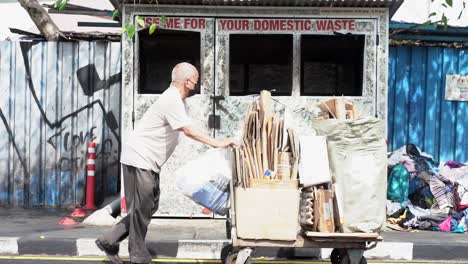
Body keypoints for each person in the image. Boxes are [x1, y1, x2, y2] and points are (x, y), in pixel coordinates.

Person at [95, 62, 237, 264]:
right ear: (188, 81)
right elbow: (188, 130)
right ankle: (138, 255)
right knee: (142, 207)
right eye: (196, 79)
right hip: (139, 159)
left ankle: (109, 239)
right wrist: (219, 143)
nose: (197, 84)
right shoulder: (171, 99)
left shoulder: (177, 100)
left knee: (149, 206)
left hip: (147, 161)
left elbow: (185, 128)